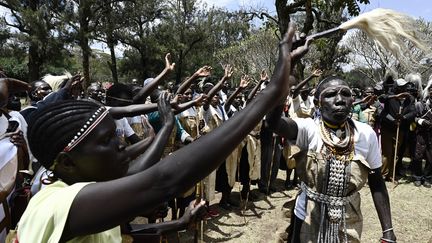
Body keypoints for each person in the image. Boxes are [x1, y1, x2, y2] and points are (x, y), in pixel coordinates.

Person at [15, 23, 310, 242]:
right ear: (68, 161)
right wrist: (271, 92)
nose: (122, 144)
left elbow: (129, 230)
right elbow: (163, 179)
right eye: (107, 141)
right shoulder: (56, 204)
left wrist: (176, 223)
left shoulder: (75, 189)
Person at [267, 76, 396, 242]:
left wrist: (388, 230)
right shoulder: (308, 128)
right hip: (307, 214)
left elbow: (377, 182)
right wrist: (284, 75)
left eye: (345, 94)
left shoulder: (366, 134)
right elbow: (273, 123)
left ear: (352, 100)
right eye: (330, 94)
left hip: (347, 219)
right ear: (317, 102)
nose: (340, 100)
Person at [412, 80, 432, 187]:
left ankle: (427, 177)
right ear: (429, 91)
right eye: (431, 89)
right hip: (421, 133)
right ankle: (417, 177)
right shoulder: (420, 104)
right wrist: (422, 121)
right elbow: (413, 117)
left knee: (430, 157)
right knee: (418, 155)